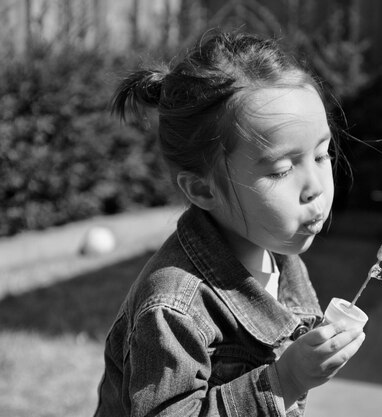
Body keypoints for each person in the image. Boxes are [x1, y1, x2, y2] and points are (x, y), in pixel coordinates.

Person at [94, 30, 366, 417]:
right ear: (203, 190)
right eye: (282, 169)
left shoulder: (282, 259)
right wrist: (285, 381)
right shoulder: (174, 308)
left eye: (322, 156)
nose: (315, 189)